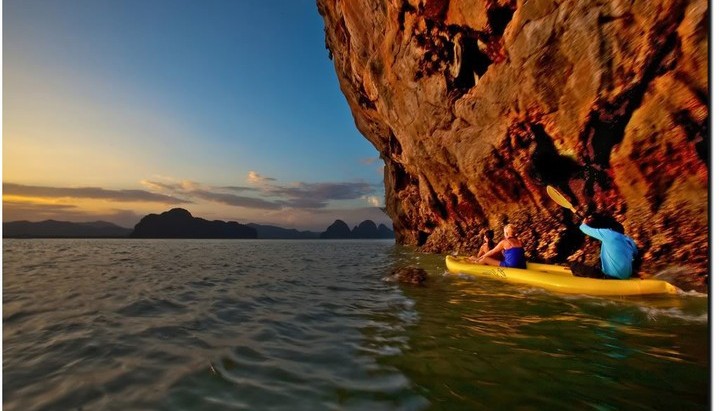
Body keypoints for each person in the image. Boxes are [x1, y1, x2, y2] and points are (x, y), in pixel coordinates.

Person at [572, 213, 639, 279]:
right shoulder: (629, 240)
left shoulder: (608, 233)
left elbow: (584, 229)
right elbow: (635, 254)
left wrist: (584, 223)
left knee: (574, 266)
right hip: (626, 276)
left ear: (610, 229)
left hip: (610, 276)